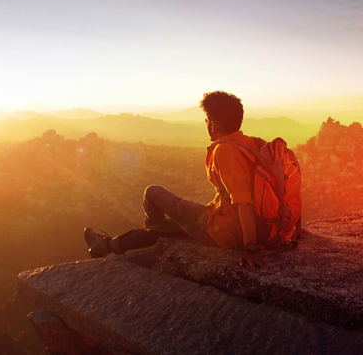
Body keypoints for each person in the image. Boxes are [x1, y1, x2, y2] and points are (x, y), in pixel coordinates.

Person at [84, 91, 267, 269]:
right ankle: (109, 245)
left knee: (152, 193)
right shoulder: (252, 144)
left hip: (223, 232)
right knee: (177, 224)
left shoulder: (225, 151)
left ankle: (149, 234)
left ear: (213, 123)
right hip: (244, 225)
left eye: (207, 119)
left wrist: (249, 247)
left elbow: (244, 201)